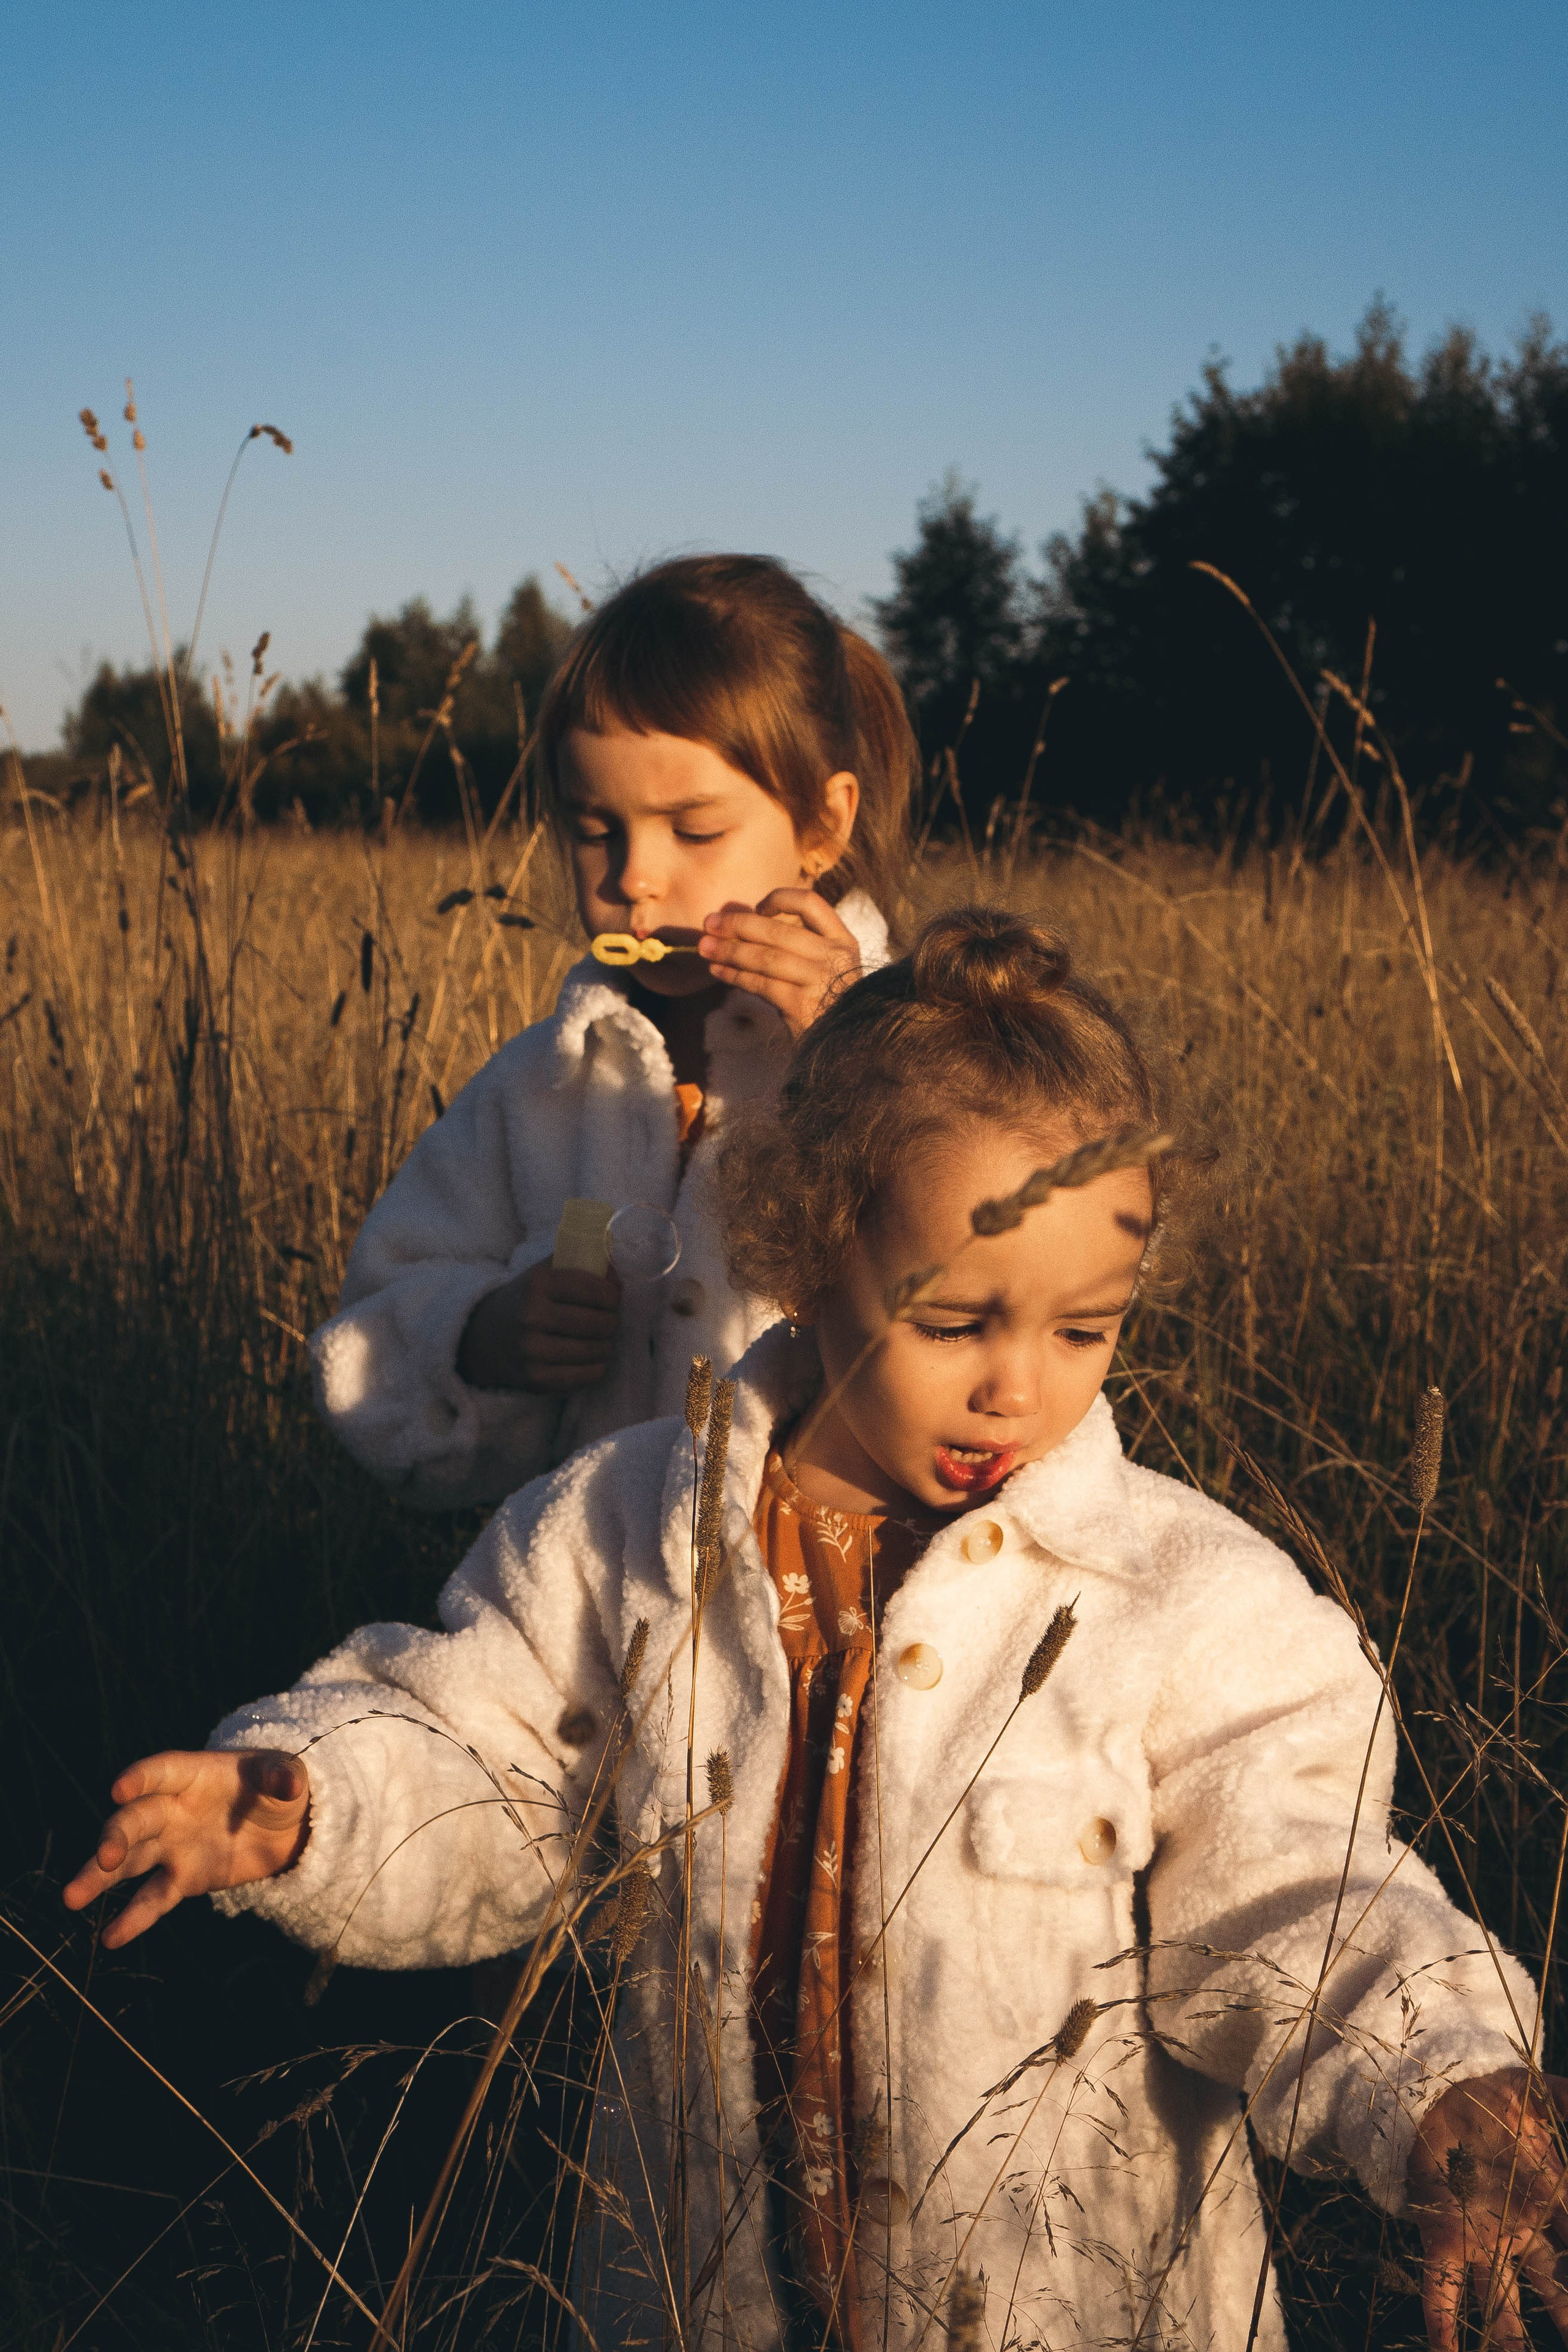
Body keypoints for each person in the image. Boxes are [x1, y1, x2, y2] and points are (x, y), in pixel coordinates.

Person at [66, 910, 1566, 2352]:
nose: (1015, 1387)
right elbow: (484, 1755)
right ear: (809, 1238)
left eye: (1079, 1329)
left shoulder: (1179, 1601)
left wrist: (1435, 2076)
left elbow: (1298, 1889)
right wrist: (310, 1803)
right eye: (953, 1318)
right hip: (692, 2293)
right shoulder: (622, 1530)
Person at [310, 553, 918, 1509]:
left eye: (693, 830)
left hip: (834, 1603)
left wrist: (860, 1045)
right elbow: (373, 1335)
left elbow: (1012, 1269)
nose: (636, 877)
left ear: (823, 827)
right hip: (581, 1600)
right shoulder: (538, 1090)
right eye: (598, 828)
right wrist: (483, 1335)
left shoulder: (919, 1050)